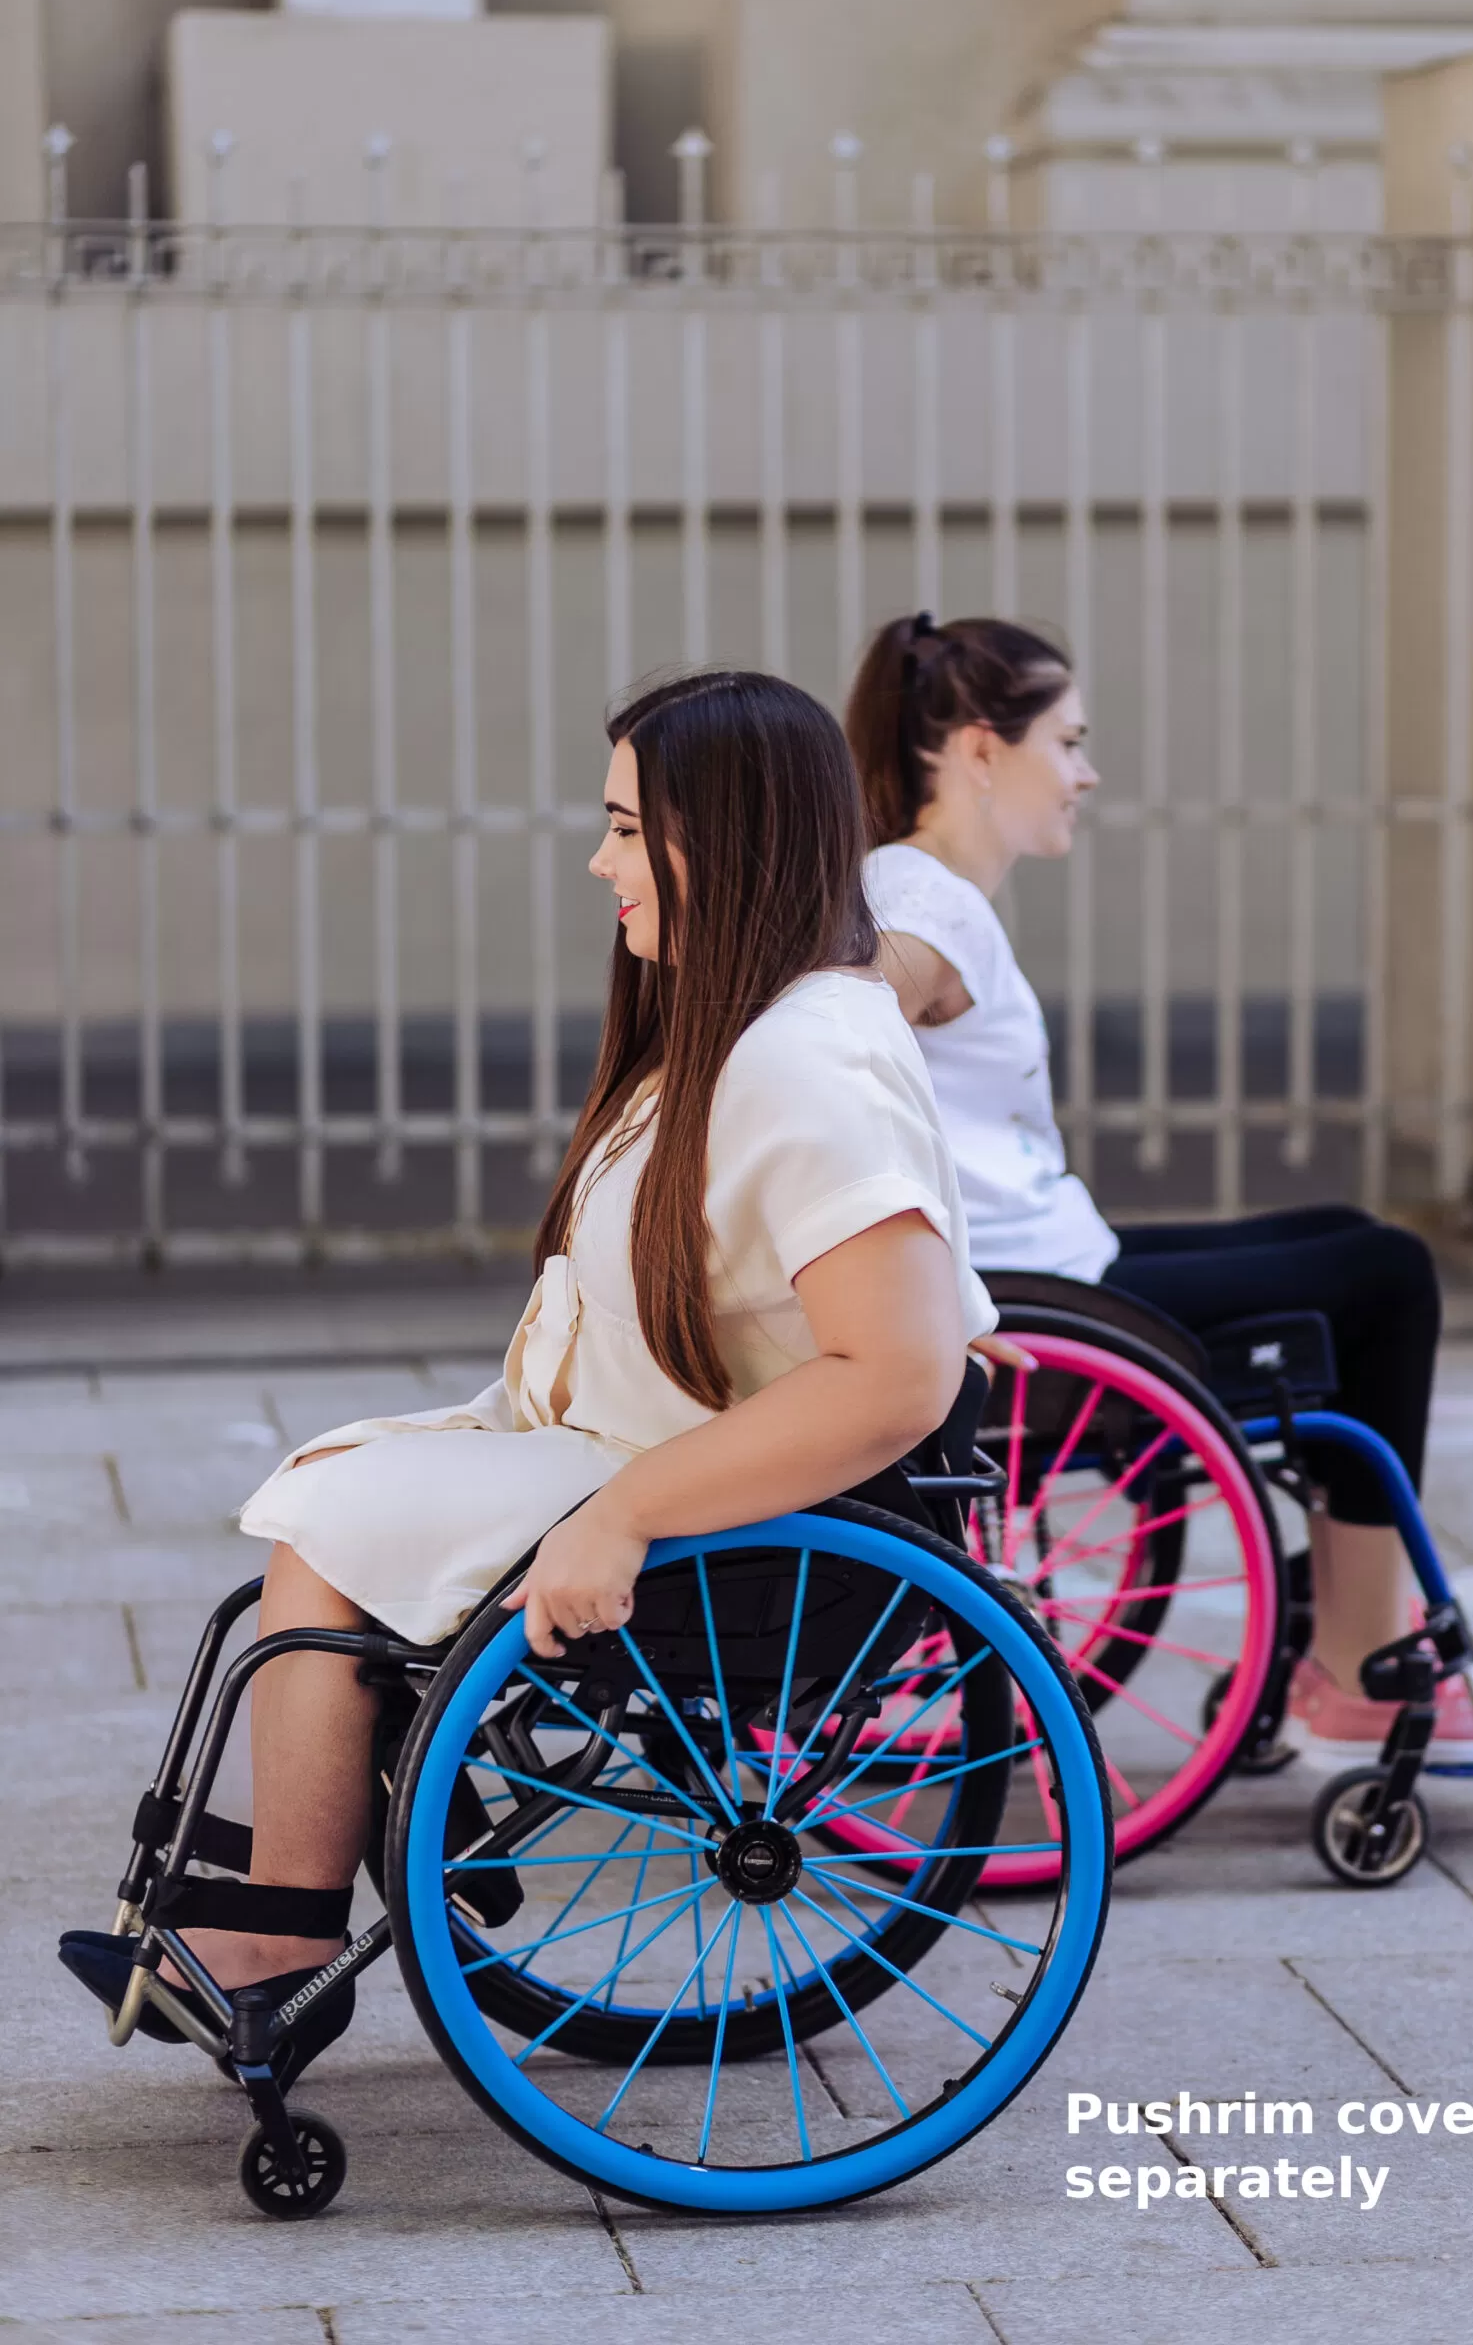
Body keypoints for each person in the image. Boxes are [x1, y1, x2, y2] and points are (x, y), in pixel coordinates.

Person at [61, 668, 998, 2067]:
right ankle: (280, 1916)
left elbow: (900, 1374)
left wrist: (618, 1516)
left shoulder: (799, 1059)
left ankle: (280, 1944)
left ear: (724, 841)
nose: (597, 858)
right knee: (328, 1515)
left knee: (324, 1540)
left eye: (626, 827)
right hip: (640, 1450)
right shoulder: (745, 1030)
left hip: (709, 1506)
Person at [846, 611, 1473, 1769]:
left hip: (1050, 1267)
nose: (1086, 773)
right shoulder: (925, 904)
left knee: (1348, 1236)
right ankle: (1358, 1664)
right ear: (980, 749)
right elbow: (831, 1030)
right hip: (1039, 1301)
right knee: (1387, 1276)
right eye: (1069, 742)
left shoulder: (917, 889)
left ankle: (1350, 1635)